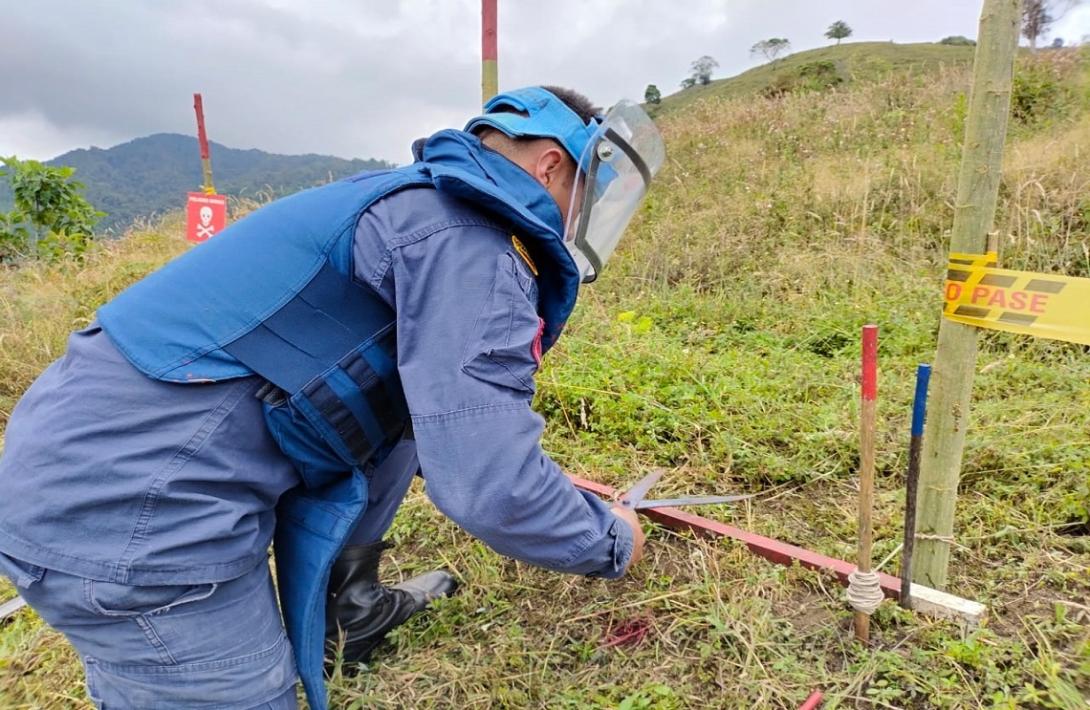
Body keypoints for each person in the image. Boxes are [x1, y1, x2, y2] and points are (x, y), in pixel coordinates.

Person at [0, 85, 664, 710]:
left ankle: (350, 609)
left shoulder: (410, 207)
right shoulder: (468, 244)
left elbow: (441, 418)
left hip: (87, 457)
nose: (593, 214)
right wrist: (609, 538)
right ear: (551, 165)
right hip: (131, 515)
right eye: (594, 190)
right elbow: (486, 483)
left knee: (398, 416)